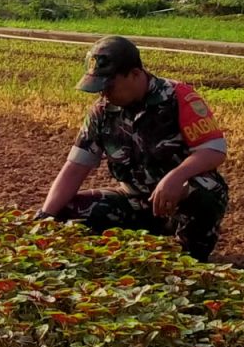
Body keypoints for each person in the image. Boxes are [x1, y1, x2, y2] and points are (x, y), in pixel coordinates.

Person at [37, 36, 230, 261]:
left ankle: (190, 253)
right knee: (65, 208)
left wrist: (175, 177)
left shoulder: (179, 97)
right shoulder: (101, 112)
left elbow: (214, 150)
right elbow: (76, 166)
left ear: (136, 74)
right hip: (133, 200)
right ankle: (133, 248)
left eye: (109, 86)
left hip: (178, 199)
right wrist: (45, 216)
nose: (104, 94)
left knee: (208, 192)